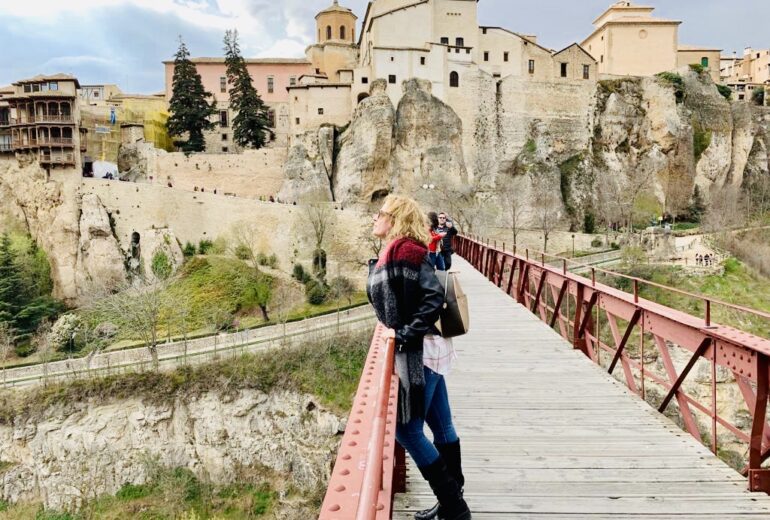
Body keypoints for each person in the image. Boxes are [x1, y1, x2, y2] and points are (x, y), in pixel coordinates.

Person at [368, 195, 471, 520]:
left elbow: (432, 295)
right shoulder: (400, 249)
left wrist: (404, 332)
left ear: (394, 218)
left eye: (380, 213)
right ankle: (452, 498)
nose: (375, 218)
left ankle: (455, 508)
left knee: (407, 431)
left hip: (421, 351)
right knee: (441, 425)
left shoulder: (405, 250)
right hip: (429, 349)